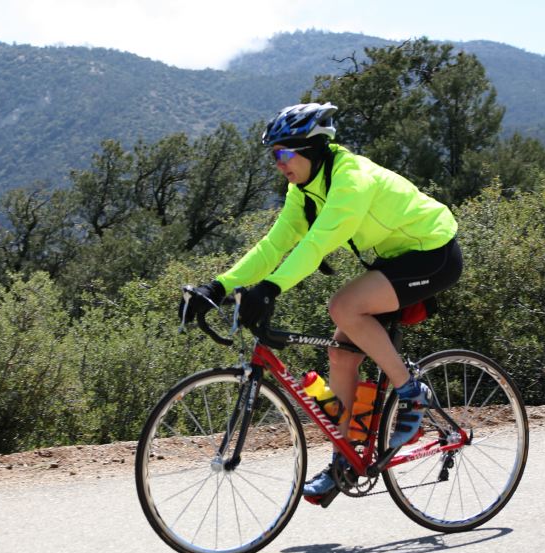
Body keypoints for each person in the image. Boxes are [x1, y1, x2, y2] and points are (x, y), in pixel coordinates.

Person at [180, 102, 463, 505]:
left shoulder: (352, 180)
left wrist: (269, 289)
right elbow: (273, 244)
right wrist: (219, 286)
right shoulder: (303, 190)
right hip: (396, 258)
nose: (277, 164)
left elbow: (315, 246)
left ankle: (412, 391)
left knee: (343, 307)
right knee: (342, 356)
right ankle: (343, 463)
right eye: (272, 156)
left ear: (309, 149)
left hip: (433, 252)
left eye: (282, 154)